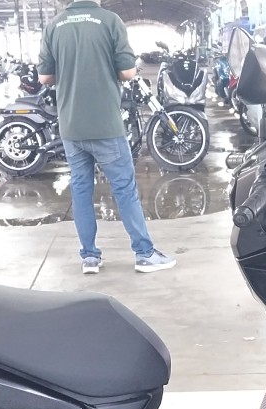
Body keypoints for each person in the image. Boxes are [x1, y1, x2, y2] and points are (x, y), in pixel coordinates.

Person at [38, 0, 176, 275]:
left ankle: (89, 257)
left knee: (81, 190)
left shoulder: (54, 26)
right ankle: (144, 253)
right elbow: (127, 72)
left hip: (71, 126)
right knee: (124, 188)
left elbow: (44, 77)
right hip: (105, 125)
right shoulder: (110, 21)